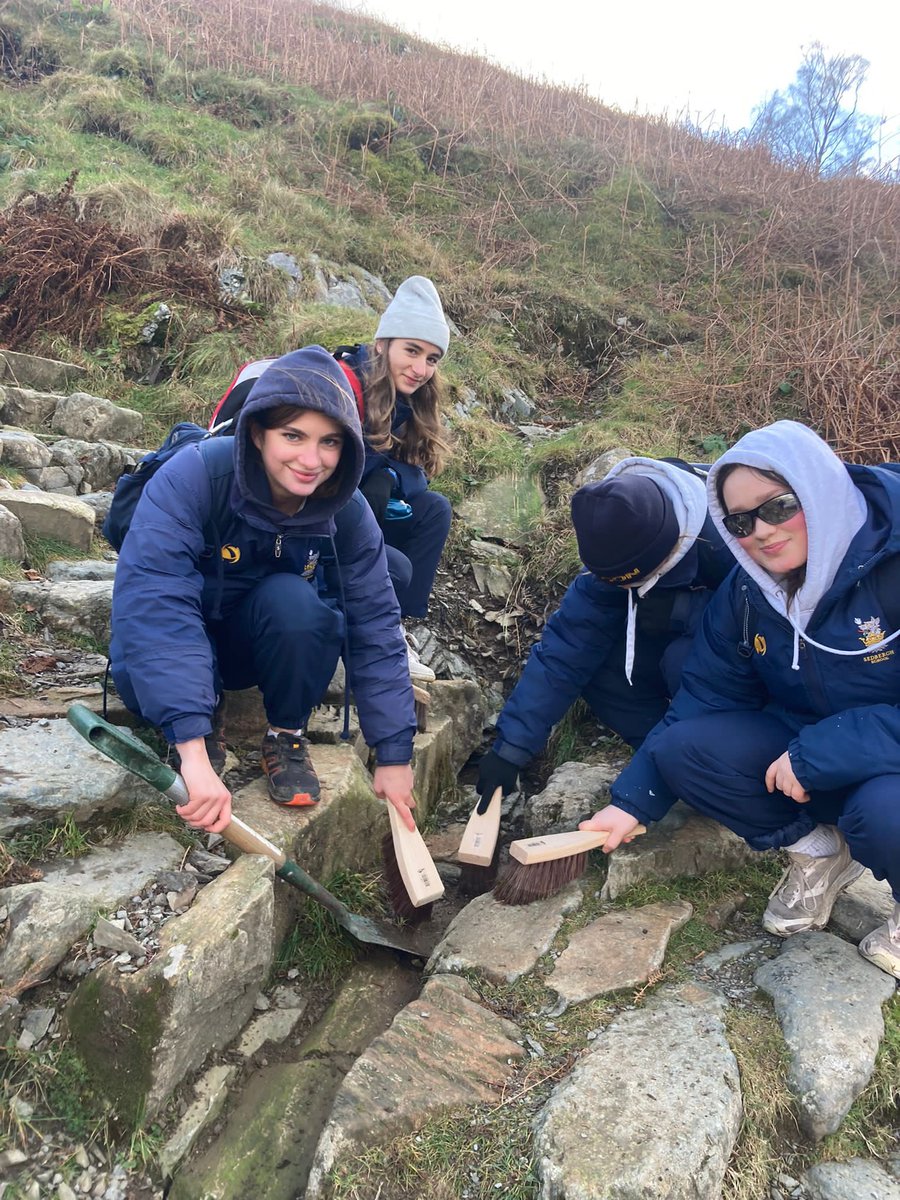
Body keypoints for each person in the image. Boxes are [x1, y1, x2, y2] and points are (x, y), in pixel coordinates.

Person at [582, 420, 900, 980]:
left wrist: (823, 753)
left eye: (777, 507)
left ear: (817, 489)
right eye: (739, 520)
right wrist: (633, 801)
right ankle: (822, 853)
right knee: (685, 748)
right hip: (807, 749)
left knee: (882, 811)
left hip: (879, 763)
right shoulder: (750, 588)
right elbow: (702, 697)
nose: (760, 532)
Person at [109, 346, 418, 836]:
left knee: (298, 605)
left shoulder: (347, 510)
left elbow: (376, 623)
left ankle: (286, 733)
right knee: (140, 673)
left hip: (252, 638)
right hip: (184, 632)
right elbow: (156, 603)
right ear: (257, 432)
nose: (311, 460)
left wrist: (395, 753)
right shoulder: (193, 476)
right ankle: (202, 715)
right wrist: (191, 746)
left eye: (330, 443)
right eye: (292, 436)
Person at [475, 456, 733, 807]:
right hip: (668, 635)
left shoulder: (728, 535)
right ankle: (662, 759)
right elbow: (566, 649)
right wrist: (510, 749)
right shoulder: (613, 540)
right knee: (601, 669)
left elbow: (760, 630)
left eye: (636, 580)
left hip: (735, 662)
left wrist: (682, 610)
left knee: (681, 660)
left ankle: (709, 763)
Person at [335, 276, 453, 683]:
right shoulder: (344, 386)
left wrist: (388, 474)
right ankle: (373, 631)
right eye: (412, 351)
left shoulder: (411, 400)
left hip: (357, 516)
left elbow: (416, 480)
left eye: (433, 358)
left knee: (434, 509)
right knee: (397, 565)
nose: (421, 369)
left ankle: (393, 627)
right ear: (382, 343)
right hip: (318, 519)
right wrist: (384, 475)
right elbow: (333, 474)